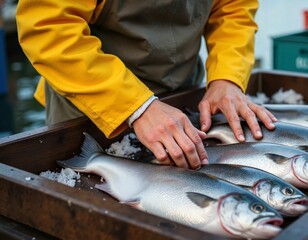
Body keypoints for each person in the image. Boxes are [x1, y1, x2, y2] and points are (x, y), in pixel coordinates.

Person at [16, 0, 277, 170]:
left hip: (182, 92)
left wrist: (227, 78)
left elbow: (233, 8)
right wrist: (137, 107)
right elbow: (48, 28)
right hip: (94, 106)